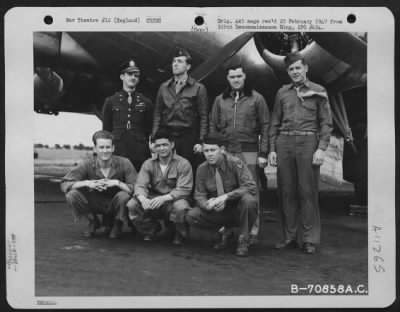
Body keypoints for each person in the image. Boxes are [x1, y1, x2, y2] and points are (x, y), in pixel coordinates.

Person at [268, 52, 333, 254]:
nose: (295, 72)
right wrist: (271, 149)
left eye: (298, 67)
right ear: (287, 72)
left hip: (308, 142)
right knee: (286, 191)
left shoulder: (319, 91)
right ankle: (289, 236)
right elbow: (274, 122)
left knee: (307, 191)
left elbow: (326, 123)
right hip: (284, 141)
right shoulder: (282, 93)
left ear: (306, 68)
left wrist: (321, 148)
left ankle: (309, 239)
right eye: (291, 69)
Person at [209, 63, 270, 246]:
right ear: (227, 79)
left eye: (239, 76)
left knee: (251, 190)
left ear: (244, 77)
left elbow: (265, 126)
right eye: (232, 77)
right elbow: (213, 125)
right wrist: (215, 148)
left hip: (249, 149)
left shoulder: (257, 99)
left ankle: (252, 230)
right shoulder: (220, 100)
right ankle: (226, 229)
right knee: (225, 190)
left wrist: (264, 152)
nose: (236, 80)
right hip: (226, 150)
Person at [186, 134, 258, 257]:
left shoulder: (235, 163)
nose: (209, 154)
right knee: (192, 215)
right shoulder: (202, 169)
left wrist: (226, 197)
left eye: (213, 150)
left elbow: (251, 186)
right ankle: (222, 233)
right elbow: (199, 194)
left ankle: (243, 240)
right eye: (206, 151)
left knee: (249, 201)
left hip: (237, 210)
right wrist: (207, 204)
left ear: (222, 149)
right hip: (218, 211)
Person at [61, 130, 137, 238]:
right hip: (95, 201)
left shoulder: (125, 163)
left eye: (108, 147)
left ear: (113, 148)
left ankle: (117, 222)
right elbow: (65, 183)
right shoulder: (87, 164)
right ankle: (93, 221)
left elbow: (135, 188)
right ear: (95, 149)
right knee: (71, 195)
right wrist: (87, 183)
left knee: (124, 196)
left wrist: (117, 183)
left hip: (115, 202)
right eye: (101, 147)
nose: (105, 151)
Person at [126, 129, 193, 245]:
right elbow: (140, 185)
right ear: (154, 147)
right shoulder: (148, 163)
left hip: (173, 200)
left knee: (181, 207)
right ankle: (151, 229)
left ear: (172, 145)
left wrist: (164, 198)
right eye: (158, 146)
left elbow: (184, 189)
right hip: (154, 198)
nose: (161, 148)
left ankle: (179, 232)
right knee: (132, 204)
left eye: (164, 145)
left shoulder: (183, 163)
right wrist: (143, 198)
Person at [151, 47, 208, 171]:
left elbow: (204, 117)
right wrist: (154, 139)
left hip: (188, 137)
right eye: (174, 61)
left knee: (187, 170)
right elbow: (157, 114)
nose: (175, 64)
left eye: (180, 61)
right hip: (168, 135)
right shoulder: (164, 87)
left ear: (188, 67)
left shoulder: (198, 88)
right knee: (168, 170)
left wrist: (201, 141)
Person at [102, 58, 153, 173]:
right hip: (118, 151)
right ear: (122, 77)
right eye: (129, 74)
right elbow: (106, 130)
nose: (133, 77)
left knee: (138, 185)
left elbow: (148, 129)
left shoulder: (146, 102)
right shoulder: (111, 101)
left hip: (139, 152)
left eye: (136, 75)